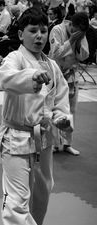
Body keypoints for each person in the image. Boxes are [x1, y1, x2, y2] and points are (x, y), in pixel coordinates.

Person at [0, 7, 73, 225]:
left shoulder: (52, 66)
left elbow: (59, 99)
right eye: (33, 31)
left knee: (43, 190)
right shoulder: (14, 59)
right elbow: (6, 79)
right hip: (16, 136)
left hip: (44, 138)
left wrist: (63, 118)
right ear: (21, 34)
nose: (40, 36)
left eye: (43, 31)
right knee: (17, 197)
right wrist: (31, 78)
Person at [49, 12, 90, 155]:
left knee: (71, 110)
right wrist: (71, 40)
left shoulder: (81, 33)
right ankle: (54, 144)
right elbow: (55, 54)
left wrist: (78, 41)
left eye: (80, 31)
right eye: (74, 29)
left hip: (72, 75)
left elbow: (85, 56)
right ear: (70, 24)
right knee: (54, 109)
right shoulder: (57, 30)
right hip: (56, 74)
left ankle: (67, 144)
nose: (76, 32)